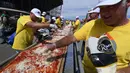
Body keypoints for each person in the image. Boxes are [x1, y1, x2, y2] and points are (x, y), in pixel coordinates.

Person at [43, 0, 130, 73]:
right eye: (102, 8)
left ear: (127, 3)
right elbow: (72, 38)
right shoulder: (92, 24)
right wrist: (53, 45)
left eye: (111, 6)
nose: (104, 13)